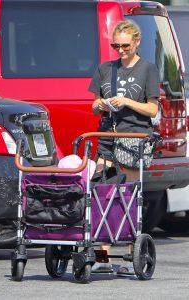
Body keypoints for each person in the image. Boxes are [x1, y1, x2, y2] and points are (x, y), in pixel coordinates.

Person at [88, 19, 160, 275]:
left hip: (134, 137)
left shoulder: (148, 69)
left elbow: (152, 108)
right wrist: (102, 105)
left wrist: (127, 101)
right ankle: (101, 256)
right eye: (116, 45)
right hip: (107, 135)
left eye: (125, 46)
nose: (120, 50)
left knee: (128, 197)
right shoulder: (105, 69)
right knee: (100, 193)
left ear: (137, 42)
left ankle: (131, 257)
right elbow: (94, 104)